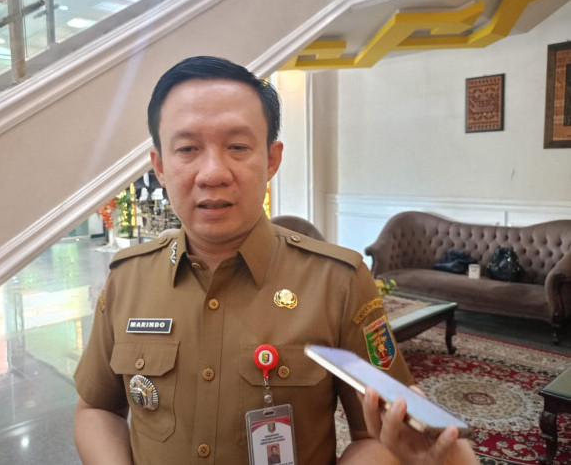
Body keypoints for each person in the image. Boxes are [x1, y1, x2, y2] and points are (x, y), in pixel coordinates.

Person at [73, 56, 478, 464]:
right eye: (187, 149)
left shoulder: (338, 281)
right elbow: (97, 409)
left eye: (237, 147)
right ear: (160, 166)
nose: (212, 173)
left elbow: (377, 437)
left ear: (271, 159)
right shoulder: (128, 279)